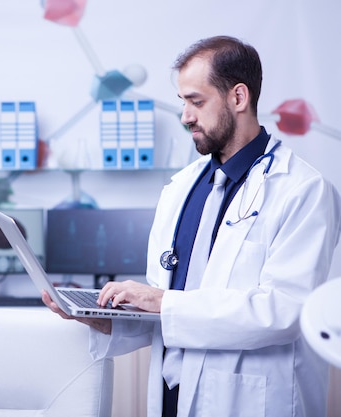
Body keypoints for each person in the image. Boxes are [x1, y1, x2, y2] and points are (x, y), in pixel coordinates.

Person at [42, 35, 341, 417]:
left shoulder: (303, 190)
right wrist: (104, 320)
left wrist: (161, 301)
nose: (184, 116)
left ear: (238, 98)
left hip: (250, 401)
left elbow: (285, 312)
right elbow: (165, 310)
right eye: (183, 102)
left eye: (196, 102)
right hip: (172, 397)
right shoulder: (182, 187)